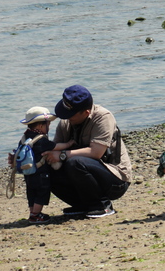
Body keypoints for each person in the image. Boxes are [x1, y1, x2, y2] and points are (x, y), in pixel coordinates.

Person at [43, 85, 132, 218]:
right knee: (44, 168)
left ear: (86, 112)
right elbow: (53, 149)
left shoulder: (103, 117)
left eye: (70, 116)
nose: (66, 118)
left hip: (115, 179)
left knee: (75, 162)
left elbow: (96, 152)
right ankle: (82, 205)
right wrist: (22, 159)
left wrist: (62, 155)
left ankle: (102, 205)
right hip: (84, 175)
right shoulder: (65, 123)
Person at [17, 106, 74, 224]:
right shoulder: (41, 140)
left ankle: (32, 212)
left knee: (31, 191)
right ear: (40, 126)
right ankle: (36, 215)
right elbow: (56, 146)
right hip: (40, 172)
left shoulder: (24, 138)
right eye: (48, 124)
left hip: (28, 172)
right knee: (42, 192)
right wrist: (69, 144)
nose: (49, 126)